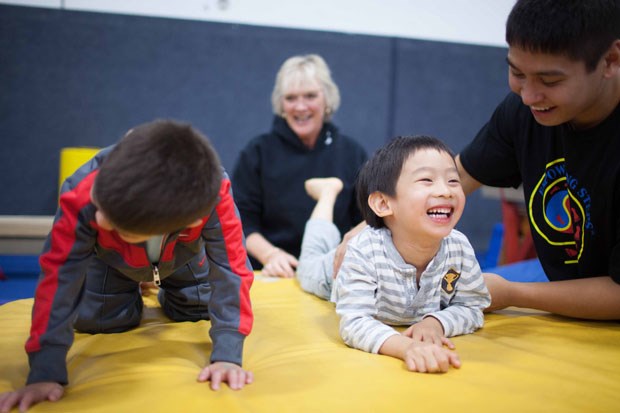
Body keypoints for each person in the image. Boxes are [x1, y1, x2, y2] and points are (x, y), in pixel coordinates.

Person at [0, 120, 254, 412]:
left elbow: (231, 266)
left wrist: (228, 354)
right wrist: (44, 370)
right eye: (102, 216)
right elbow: (60, 275)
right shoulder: (83, 192)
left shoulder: (212, 192)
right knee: (100, 321)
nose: (103, 221)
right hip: (110, 259)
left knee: (197, 307)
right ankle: (128, 290)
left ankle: (164, 286)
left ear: (193, 219)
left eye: (119, 227)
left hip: (182, 255)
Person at [455, 0, 620, 320]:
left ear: (610, 60)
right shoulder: (524, 110)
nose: (529, 95)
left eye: (550, 81)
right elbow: (456, 177)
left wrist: (513, 293)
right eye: (517, 73)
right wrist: (372, 229)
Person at [332, 136, 491, 373]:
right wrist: (406, 347)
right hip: (330, 275)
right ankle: (326, 198)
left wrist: (436, 322)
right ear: (384, 204)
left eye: (453, 180)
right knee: (309, 264)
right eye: (427, 180)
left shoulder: (459, 247)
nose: (445, 191)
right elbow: (354, 322)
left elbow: (472, 307)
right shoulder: (364, 251)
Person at [232, 54, 368, 278]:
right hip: (274, 274)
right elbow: (240, 222)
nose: (300, 106)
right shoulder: (257, 152)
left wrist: (345, 251)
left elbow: (368, 220)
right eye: (291, 98)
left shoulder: (352, 153)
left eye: (310, 96)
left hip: (332, 274)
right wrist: (270, 255)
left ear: (327, 100)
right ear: (281, 105)